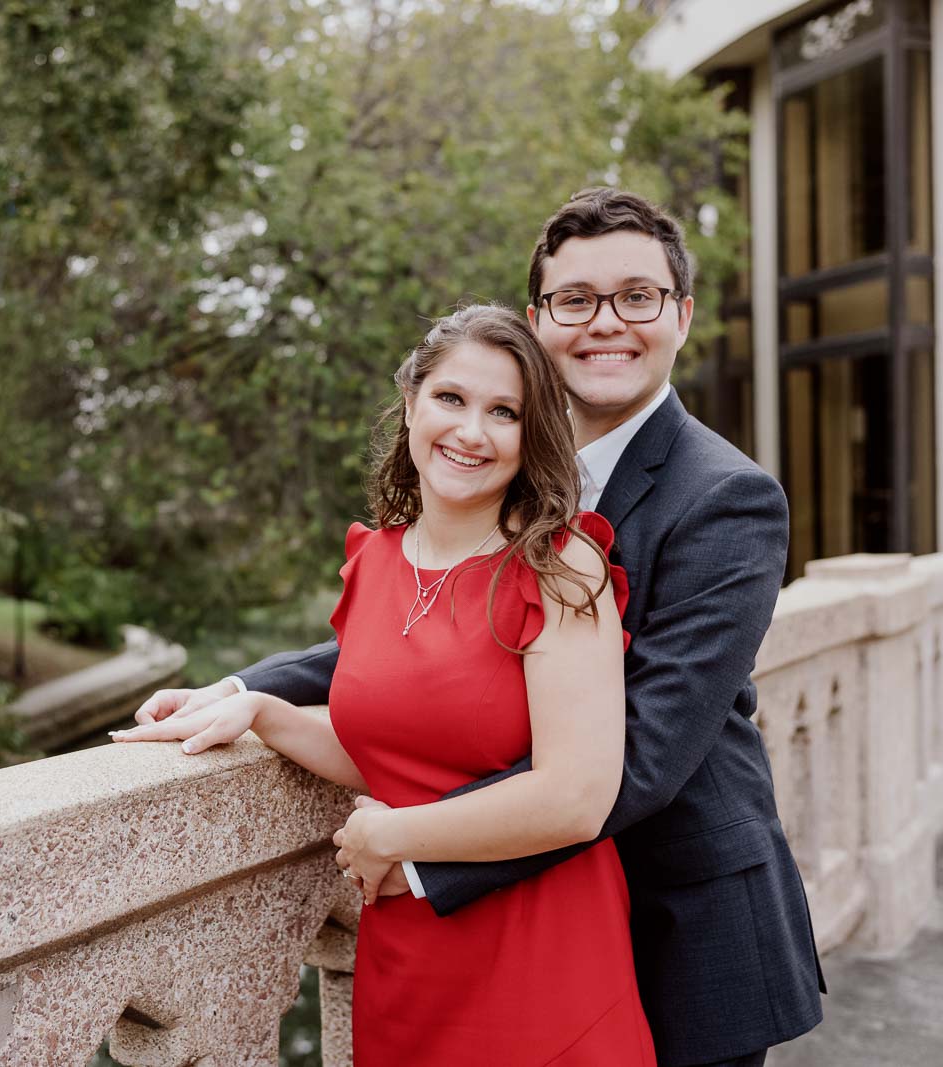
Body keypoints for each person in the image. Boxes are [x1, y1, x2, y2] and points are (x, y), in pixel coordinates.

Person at [130, 188, 824, 1067]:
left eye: (637, 297)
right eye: (575, 300)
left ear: (681, 316)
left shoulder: (727, 497)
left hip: (676, 917)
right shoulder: (510, 476)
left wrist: (412, 847)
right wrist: (249, 692)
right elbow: (431, 648)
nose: (605, 322)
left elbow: (640, 754)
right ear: (540, 322)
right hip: (476, 940)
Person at [114, 303, 658, 1064]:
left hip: (543, 961)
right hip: (408, 963)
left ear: (529, 438)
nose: (471, 431)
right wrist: (263, 709)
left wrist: (393, 835)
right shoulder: (375, 562)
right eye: (451, 399)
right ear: (410, 403)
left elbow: (577, 796)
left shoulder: (560, 567)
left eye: (504, 412)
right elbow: (393, 750)